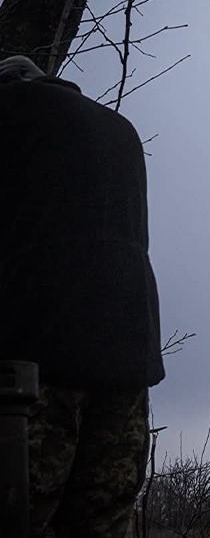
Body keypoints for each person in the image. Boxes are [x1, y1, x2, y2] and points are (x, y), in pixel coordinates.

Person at [0, 55, 164, 538]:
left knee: (18, 514)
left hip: (38, 358)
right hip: (128, 355)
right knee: (102, 520)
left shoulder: (11, 115)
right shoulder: (120, 129)